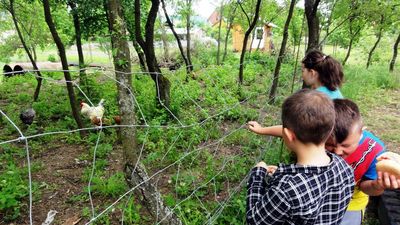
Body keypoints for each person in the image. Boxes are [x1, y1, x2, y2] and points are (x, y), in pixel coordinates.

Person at [246, 89, 354, 225]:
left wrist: (257, 175)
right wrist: (281, 174)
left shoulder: (286, 189)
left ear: (288, 135)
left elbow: (254, 221)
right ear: (330, 129)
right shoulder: (345, 168)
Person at [325, 99, 400, 225]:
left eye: (345, 145)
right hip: (319, 197)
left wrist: (378, 185)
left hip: (351, 204)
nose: (338, 151)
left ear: (361, 131)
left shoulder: (374, 151)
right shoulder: (315, 137)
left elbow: (365, 186)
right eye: (329, 145)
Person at [248, 49, 344, 136]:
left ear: (312, 73)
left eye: (303, 71)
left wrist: (261, 130)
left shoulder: (315, 100)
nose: (302, 75)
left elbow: (293, 131)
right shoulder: (333, 89)